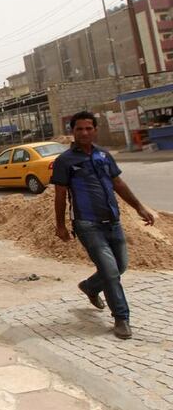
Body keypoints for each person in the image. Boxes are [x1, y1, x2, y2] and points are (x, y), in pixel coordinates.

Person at [51, 111, 155, 340]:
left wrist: (139, 207)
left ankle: (89, 286)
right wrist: (60, 225)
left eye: (89, 128)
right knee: (110, 272)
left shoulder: (104, 156)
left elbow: (118, 183)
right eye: (80, 129)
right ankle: (121, 318)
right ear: (73, 132)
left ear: (95, 130)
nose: (85, 132)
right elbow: (59, 196)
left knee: (120, 266)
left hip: (113, 222)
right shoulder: (65, 161)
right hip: (87, 224)